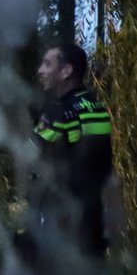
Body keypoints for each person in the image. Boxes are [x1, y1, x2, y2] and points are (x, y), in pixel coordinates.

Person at [33, 42, 112, 258]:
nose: (41, 70)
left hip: (62, 213)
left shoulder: (57, 111)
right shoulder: (95, 105)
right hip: (93, 210)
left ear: (66, 71)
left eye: (47, 65)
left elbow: (32, 154)